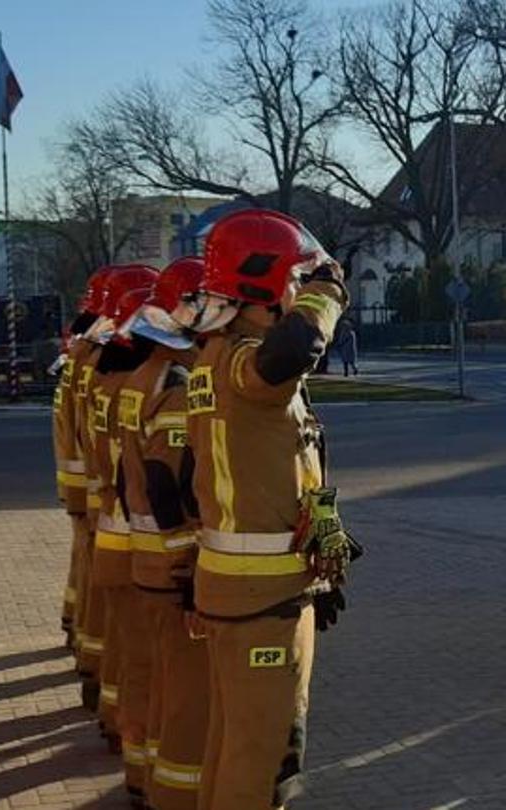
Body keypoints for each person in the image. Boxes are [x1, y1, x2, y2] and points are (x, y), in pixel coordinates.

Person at [178, 209, 357, 809]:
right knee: (264, 762)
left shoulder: (215, 361)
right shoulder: (246, 363)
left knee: (234, 747)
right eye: (293, 280)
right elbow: (296, 348)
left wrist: (324, 559)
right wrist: (328, 291)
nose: (296, 291)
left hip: (258, 590)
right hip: (263, 597)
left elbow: (294, 469)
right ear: (266, 283)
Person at [109, 257, 206, 803]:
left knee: (150, 674)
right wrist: (188, 565)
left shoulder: (140, 377)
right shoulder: (175, 381)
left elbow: (131, 481)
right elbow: (167, 485)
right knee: (185, 692)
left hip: (144, 555)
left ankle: (141, 774)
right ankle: (174, 792)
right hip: (171, 565)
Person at [78, 264, 160, 746]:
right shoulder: (153, 386)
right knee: (150, 663)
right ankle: (141, 765)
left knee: (129, 652)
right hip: (143, 544)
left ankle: (117, 723)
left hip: (112, 524)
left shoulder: (104, 374)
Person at [55, 267, 116, 674]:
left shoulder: (82, 357)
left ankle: (79, 634)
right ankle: (93, 659)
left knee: (88, 571)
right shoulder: (107, 366)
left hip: (87, 486)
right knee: (110, 599)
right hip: (108, 497)